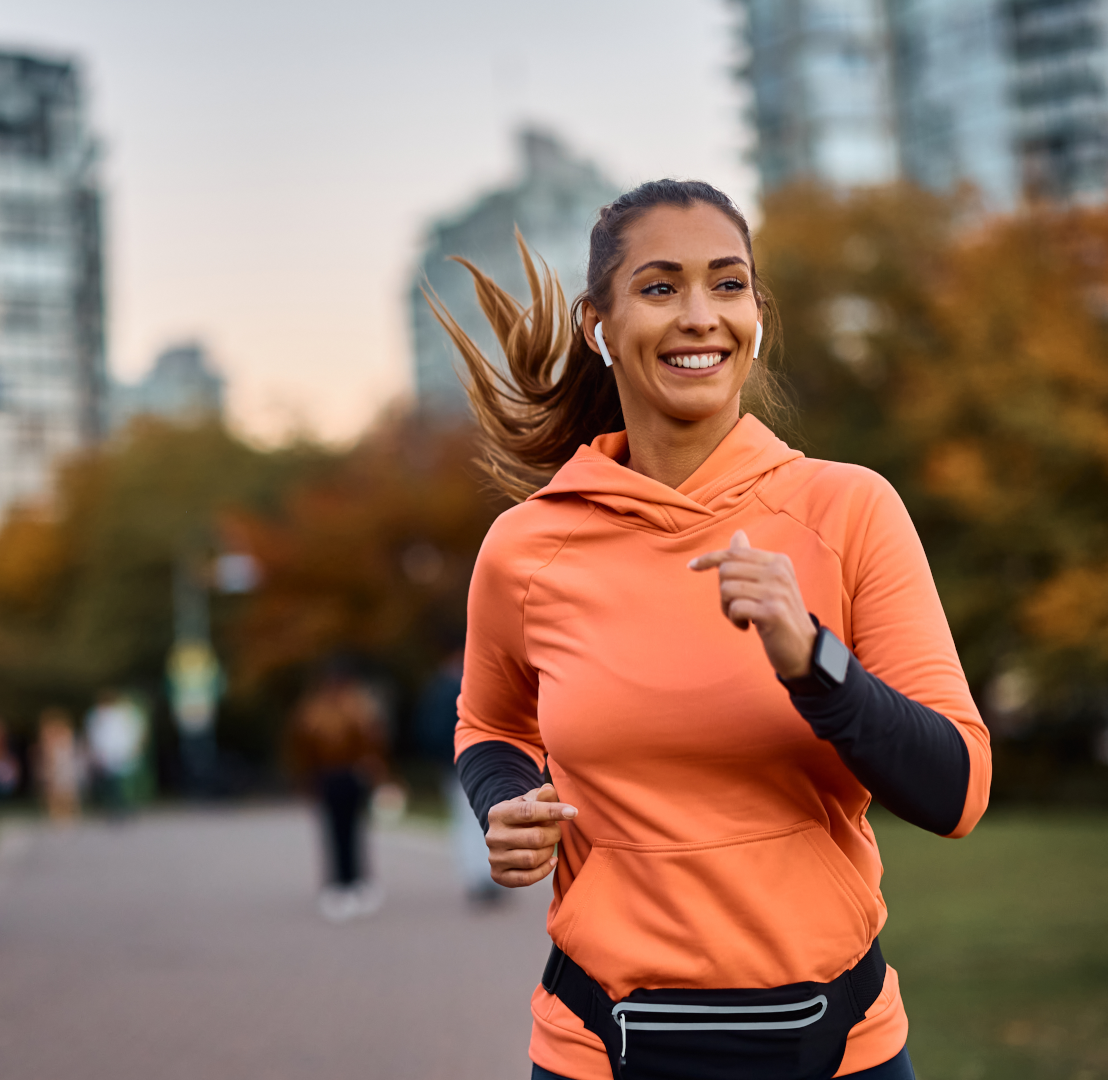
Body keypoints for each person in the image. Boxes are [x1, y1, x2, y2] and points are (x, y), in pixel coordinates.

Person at [438, 181, 991, 1080]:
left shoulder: (849, 510)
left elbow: (957, 791)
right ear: (598, 326)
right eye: (661, 289)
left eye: (727, 286)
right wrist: (504, 800)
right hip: (599, 1049)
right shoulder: (526, 548)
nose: (701, 316)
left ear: (756, 314)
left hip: (839, 1050)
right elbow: (491, 723)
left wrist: (814, 662)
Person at [285, 663, 389, 923]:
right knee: (340, 831)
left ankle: (352, 880)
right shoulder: (329, 711)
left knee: (348, 830)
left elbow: (372, 744)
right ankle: (344, 882)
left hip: (344, 776)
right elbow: (302, 748)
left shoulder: (341, 710)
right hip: (332, 777)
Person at [415, 648, 501, 906]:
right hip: (466, 761)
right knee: (473, 821)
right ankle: (480, 877)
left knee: (472, 821)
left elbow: (427, 730)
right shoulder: (453, 690)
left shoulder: (441, 689)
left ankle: (481, 876)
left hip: (463, 762)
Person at [85, 691, 146, 820]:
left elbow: (132, 731)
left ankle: (124, 807)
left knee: (122, 782)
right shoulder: (95, 716)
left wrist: (133, 747)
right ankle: (114, 808)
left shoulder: (122, 714)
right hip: (106, 753)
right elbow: (95, 735)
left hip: (121, 751)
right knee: (111, 783)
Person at [33, 708, 85, 823]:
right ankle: (57, 815)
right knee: (54, 790)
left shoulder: (65, 734)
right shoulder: (49, 735)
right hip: (56, 765)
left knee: (67, 790)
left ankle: (68, 814)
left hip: (64, 765)